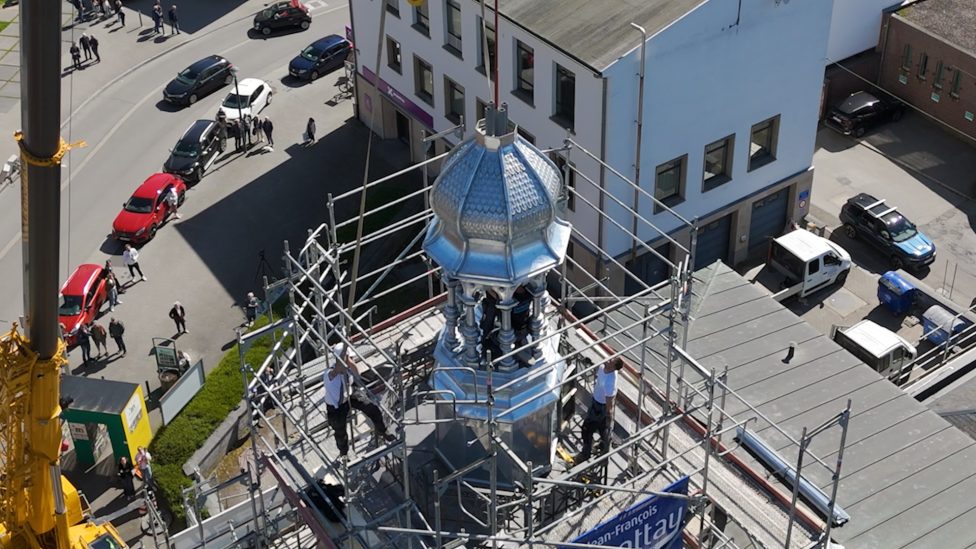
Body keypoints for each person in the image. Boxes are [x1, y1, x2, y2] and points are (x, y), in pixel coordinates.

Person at [323, 343, 395, 460]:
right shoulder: (329, 374)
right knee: (340, 431)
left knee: (372, 408)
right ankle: (344, 454)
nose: (352, 360)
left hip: (350, 394)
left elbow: (358, 374)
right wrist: (345, 352)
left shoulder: (347, 369)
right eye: (349, 358)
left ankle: (382, 430)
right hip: (336, 406)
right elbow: (338, 368)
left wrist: (349, 362)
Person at [575, 356, 624, 463]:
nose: (609, 359)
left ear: (613, 367)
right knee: (601, 430)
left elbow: (609, 405)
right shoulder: (603, 367)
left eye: (612, 360)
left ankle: (587, 454)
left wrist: (609, 419)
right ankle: (602, 447)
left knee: (587, 429)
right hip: (595, 402)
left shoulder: (610, 382)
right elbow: (598, 370)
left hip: (600, 408)